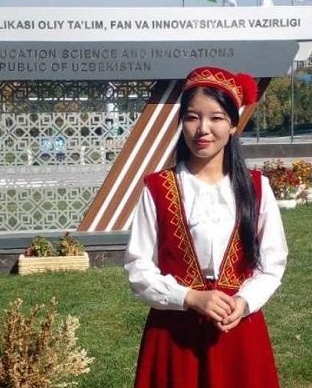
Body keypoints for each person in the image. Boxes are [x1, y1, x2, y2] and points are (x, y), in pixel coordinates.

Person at [124, 66, 288, 388]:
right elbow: (138, 266)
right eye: (192, 117)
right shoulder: (158, 188)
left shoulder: (256, 188)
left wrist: (244, 301)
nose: (203, 129)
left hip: (237, 330)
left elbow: (272, 264)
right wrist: (188, 297)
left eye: (216, 118)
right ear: (181, 122)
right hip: (174, 332)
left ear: (233, 125)